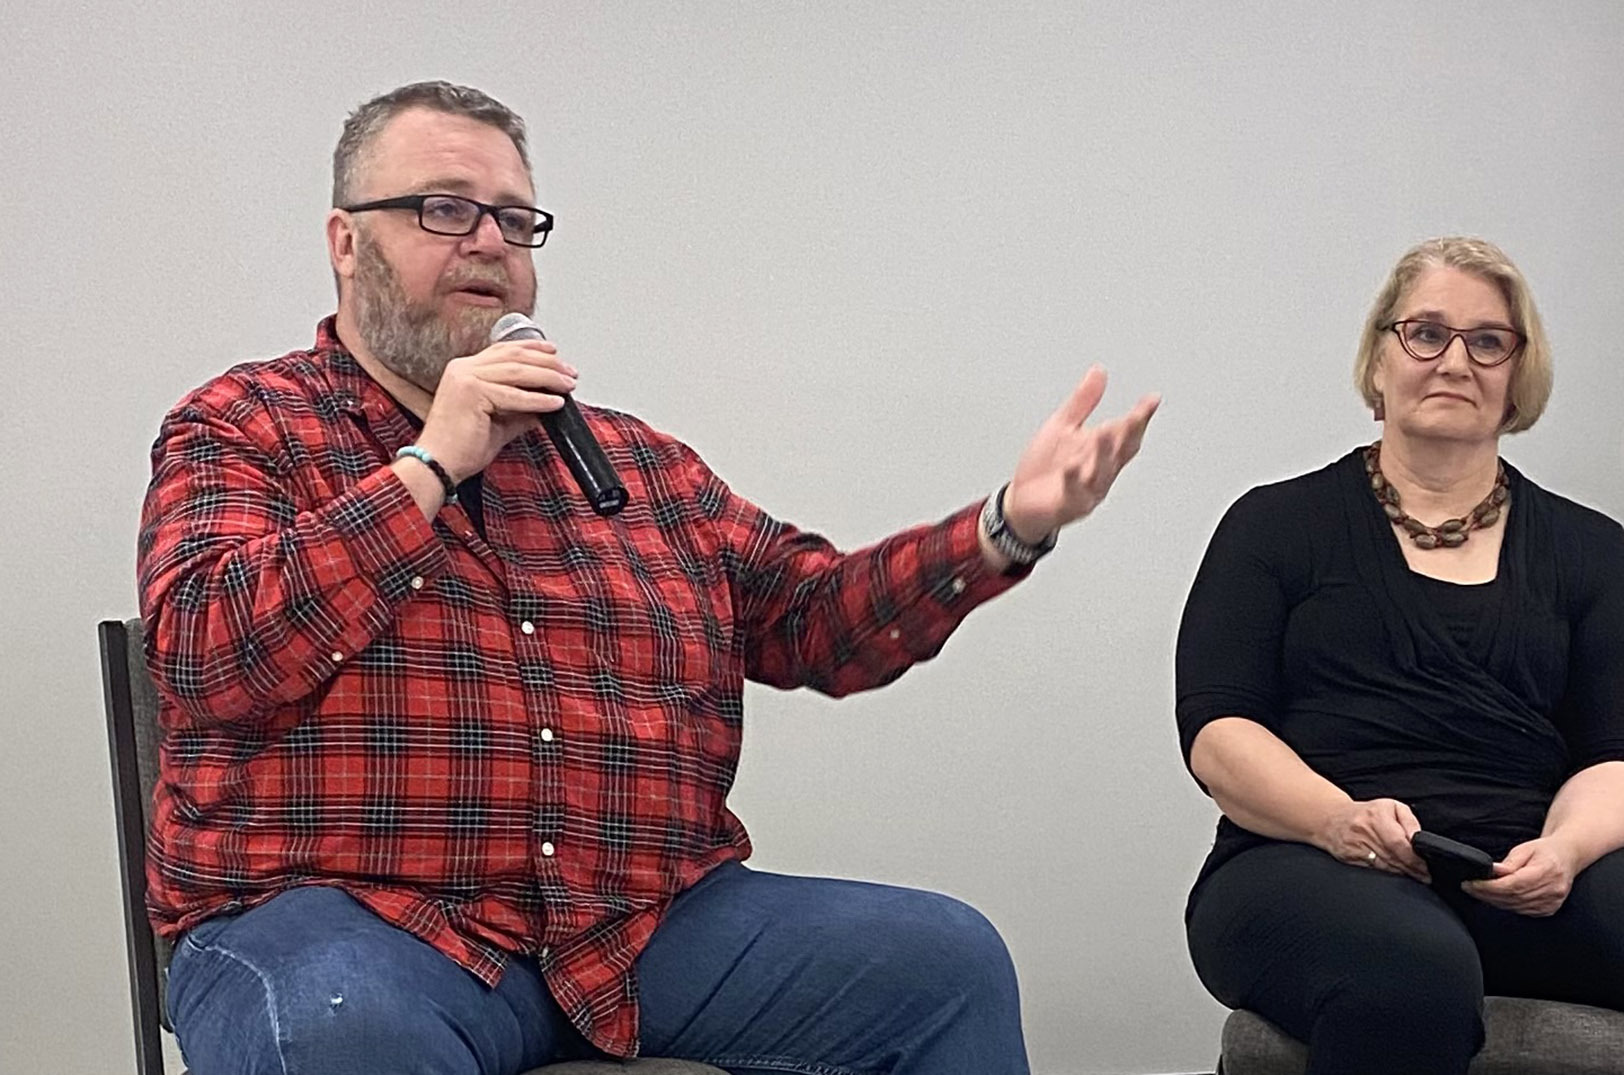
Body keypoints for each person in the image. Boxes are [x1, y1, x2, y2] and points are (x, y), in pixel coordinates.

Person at [137, 80, 1159, 1075]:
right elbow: (205, 654)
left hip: (637, 924)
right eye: (443, 210)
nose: (487, 240)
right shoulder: (244, 424)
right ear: (346, 243)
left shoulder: (637, 467)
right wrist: (429, 465)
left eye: (513, 218)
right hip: (348, 919)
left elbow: (815, 620)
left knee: (944, 962)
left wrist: (1003, 529)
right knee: (340, 1027)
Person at [1176, 236, 1624, 1074]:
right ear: (1379, 360)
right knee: (1412, 969)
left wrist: (1563, 849)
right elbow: (1217, 730)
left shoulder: (1594, 552)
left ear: (1517, 375)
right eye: (1426, 333)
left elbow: (1616, 755)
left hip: (1525, 870)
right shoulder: (1274, 526)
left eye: (1488, 341)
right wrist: (1335, 820)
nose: (1456, 359)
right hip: (1303, 859)